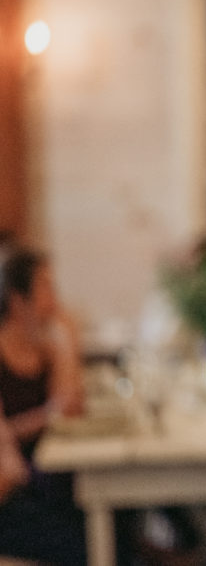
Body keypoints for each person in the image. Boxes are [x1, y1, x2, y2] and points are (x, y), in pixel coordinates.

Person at [0, 242, 87, 564]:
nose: (55, 297)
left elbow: (70, 407)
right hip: (15, 490)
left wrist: (67, 340)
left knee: (114, 517)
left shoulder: (45, 348)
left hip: (42, 478)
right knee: (89, 537)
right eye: (47, 286)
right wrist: (47, 416)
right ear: (18, 300)